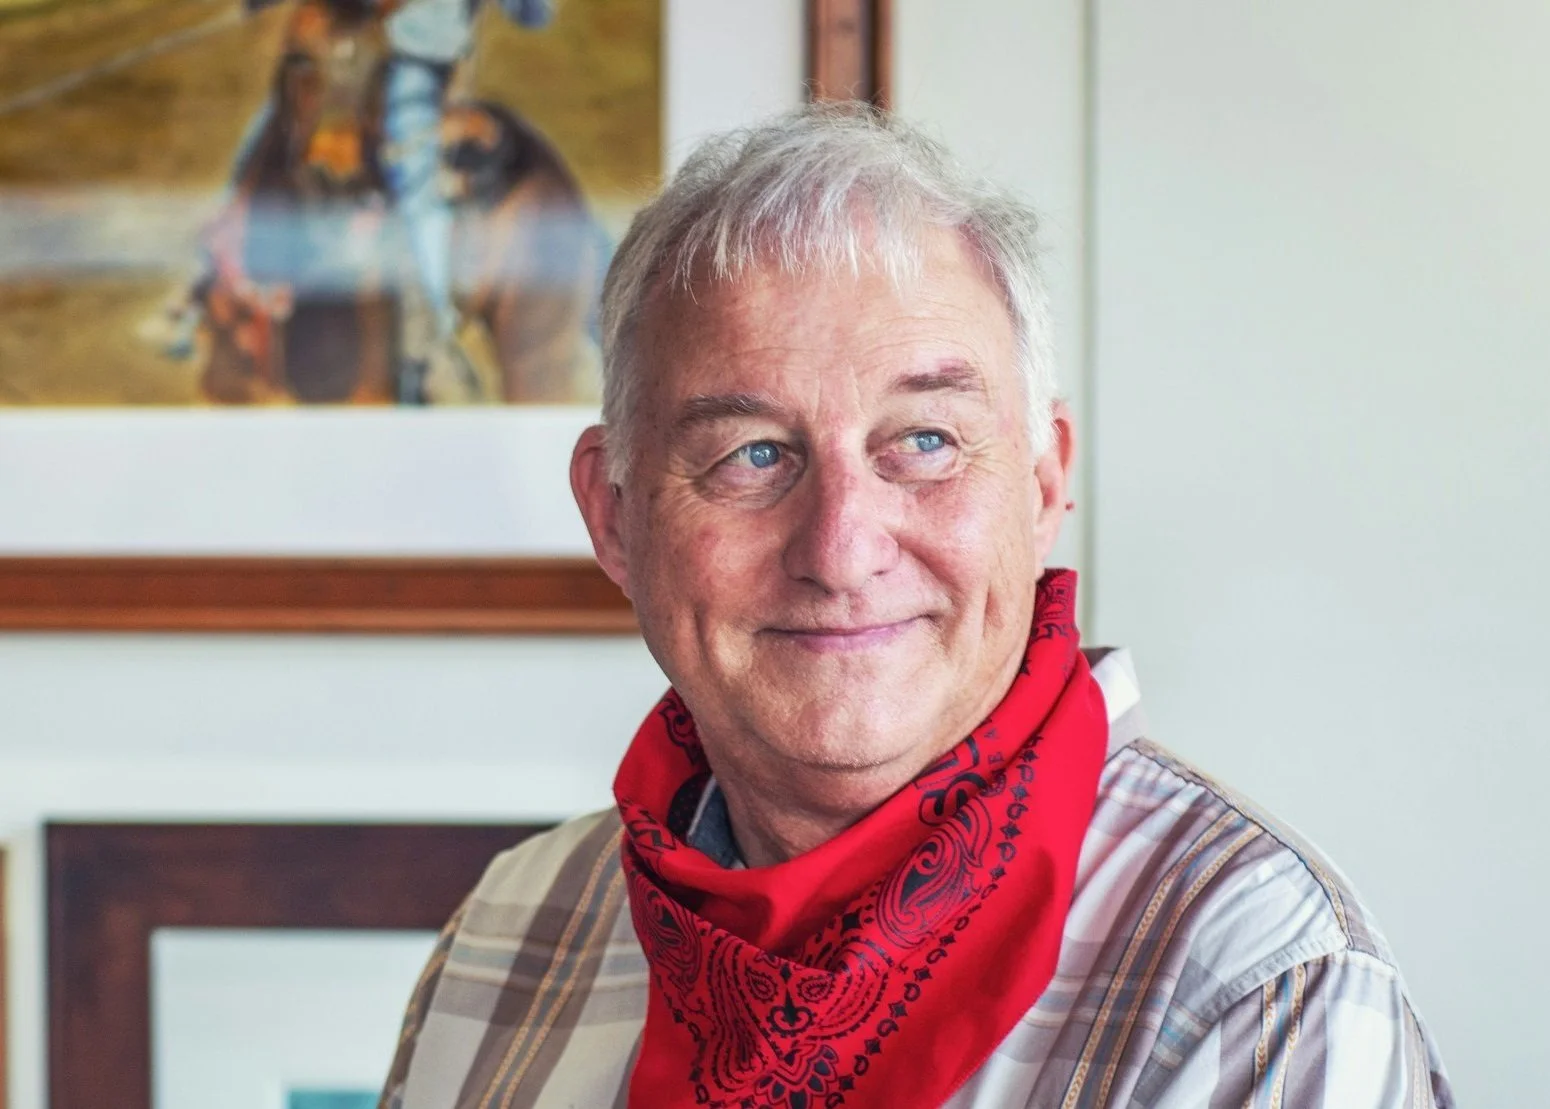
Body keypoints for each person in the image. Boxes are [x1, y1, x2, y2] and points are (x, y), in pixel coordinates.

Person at [378, 105, 1457, 1108]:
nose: (841, 548)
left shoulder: (1255, 980)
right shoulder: (515, 930)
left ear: (1041, 482)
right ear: (612, 513)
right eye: (751, 454)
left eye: (926, 442)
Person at [159, 0, 554, 385]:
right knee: (265, 139)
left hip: (415, 53)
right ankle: (203, 288)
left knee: (413, 177)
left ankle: (433, 339)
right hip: (347, 35)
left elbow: (532, 13)